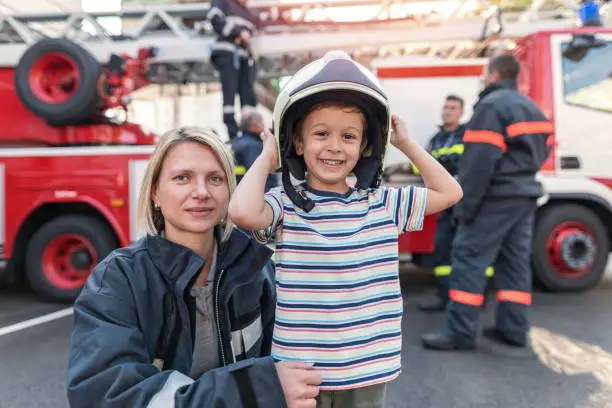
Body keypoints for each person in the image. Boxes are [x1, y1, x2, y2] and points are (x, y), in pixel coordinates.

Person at [228, 51, 463, 407]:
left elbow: (450, 192)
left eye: (349, 136)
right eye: (321, 133)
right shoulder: (285, 204)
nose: (335, 146)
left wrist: (406, 144)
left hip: (366, 371)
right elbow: (242, 212)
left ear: (366, 146)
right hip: (301, 374)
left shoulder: (382, 203)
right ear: (298, 143)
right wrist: (267, 156)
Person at [66, 127, 322, 407]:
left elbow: (293, 362)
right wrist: (256, 390)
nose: (201, 192)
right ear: (155, 193)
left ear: (229, 192)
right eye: (182, 178)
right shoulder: (117, 281)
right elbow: (108, 395)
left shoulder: (256, 270)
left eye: (215, 178)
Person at [421, 54, 553, 351]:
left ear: (493, 75)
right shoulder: (531, 108)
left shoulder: (491, 107)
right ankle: (513, 328)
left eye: (484, 73)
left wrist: (464, 207)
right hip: (524, 195)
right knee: (514, 263)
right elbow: (543, 151)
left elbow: (479, 163)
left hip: (495, 197)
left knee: (468, 257)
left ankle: (460, 333)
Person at [416, 95, 494, 312]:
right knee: (442, 249)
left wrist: (444, 164)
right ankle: (443, 296)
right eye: (445, 107)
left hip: (469, 201)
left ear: (461, 112)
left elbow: (473, 163)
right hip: (445, 203)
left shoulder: (467, 135)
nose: (447, 111)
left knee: (471, 249)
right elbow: (421, 167)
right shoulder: (436, 139)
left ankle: (478, 296)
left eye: (453, 108)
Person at [206, 0, 260, 140]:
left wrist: (245, 35)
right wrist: (238, 32)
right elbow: (214, 17)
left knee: (247, 91)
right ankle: (232, 131)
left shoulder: (247, 11)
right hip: (227, 52)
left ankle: (249, 128)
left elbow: (252, 30)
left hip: (242, 56)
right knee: (229, 92)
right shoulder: (223, 2)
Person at [231, 106, 278, 192]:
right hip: (252, 197)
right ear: (254, 126)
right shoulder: (252, 146)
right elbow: (259, 177)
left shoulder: (235, 142)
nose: (263, 126)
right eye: (261, 123)